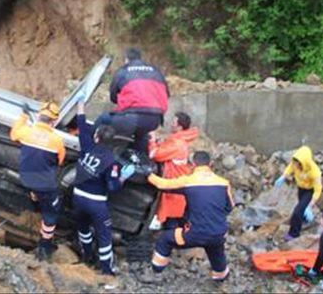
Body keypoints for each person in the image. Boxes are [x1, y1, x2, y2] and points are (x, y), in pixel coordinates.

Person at [145, 150, 234, 282]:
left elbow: (162, 184)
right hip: (218, 234)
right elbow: (230, 207)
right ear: (211, 164)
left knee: (165, 238)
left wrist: (148, 174)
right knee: (216, 251)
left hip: (194, 234)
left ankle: (156, 270)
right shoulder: (223, 183)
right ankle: (221, 277)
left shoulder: (189, 181)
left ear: (192, 164)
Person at [72, 93, 135, 275]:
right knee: (104, 234)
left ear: (97, 137)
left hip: (78, 197)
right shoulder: (111, 161)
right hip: (96, 203)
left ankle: (87, 257)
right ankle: (106, 270)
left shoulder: (87, 145)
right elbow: (113, 187)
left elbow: (81, 123)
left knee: (83, 228)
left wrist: (81, 104)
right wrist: (123, 177)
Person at [10, 100, 65, 261]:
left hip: (26, 178)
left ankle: (36, 201)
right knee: (51, 214)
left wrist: (24, 115)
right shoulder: (57, 141)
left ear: (39, 116)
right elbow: (60, 161)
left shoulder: (26, 132)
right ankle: (45, 246)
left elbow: (14, 133)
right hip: (44, 184)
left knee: (39, 192)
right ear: (54, 121)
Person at [102, 47, 169, 153]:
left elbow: (113, 97)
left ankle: (96, 154)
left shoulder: (123, 71)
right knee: (141, 137)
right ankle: (142, 162)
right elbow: (166, 93)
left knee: (103, 119)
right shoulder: (156, 71)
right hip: (154, 119)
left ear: (126, 59)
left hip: (132, 117)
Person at [147, 111, 199, 231]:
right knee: (175, 220)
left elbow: (155, 154)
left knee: (172, 222)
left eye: (174, 122)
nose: (171, 124)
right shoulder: (179, 141)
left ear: (180, 126)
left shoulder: (177, 144)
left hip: (173, 189)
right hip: (176, 188)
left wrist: (152, 140)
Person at [274, 145, 323, 241]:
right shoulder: (295, 164)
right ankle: (303, 218)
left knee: (297, 211)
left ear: (303, 162)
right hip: (301, 188)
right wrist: (283, 176)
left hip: (310, 191)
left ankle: (294, 234)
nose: (295, 165)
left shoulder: (314, 172)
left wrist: (310, 205)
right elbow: (290, 167)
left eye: (297, 163)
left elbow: (318, 190)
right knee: (301, 208)